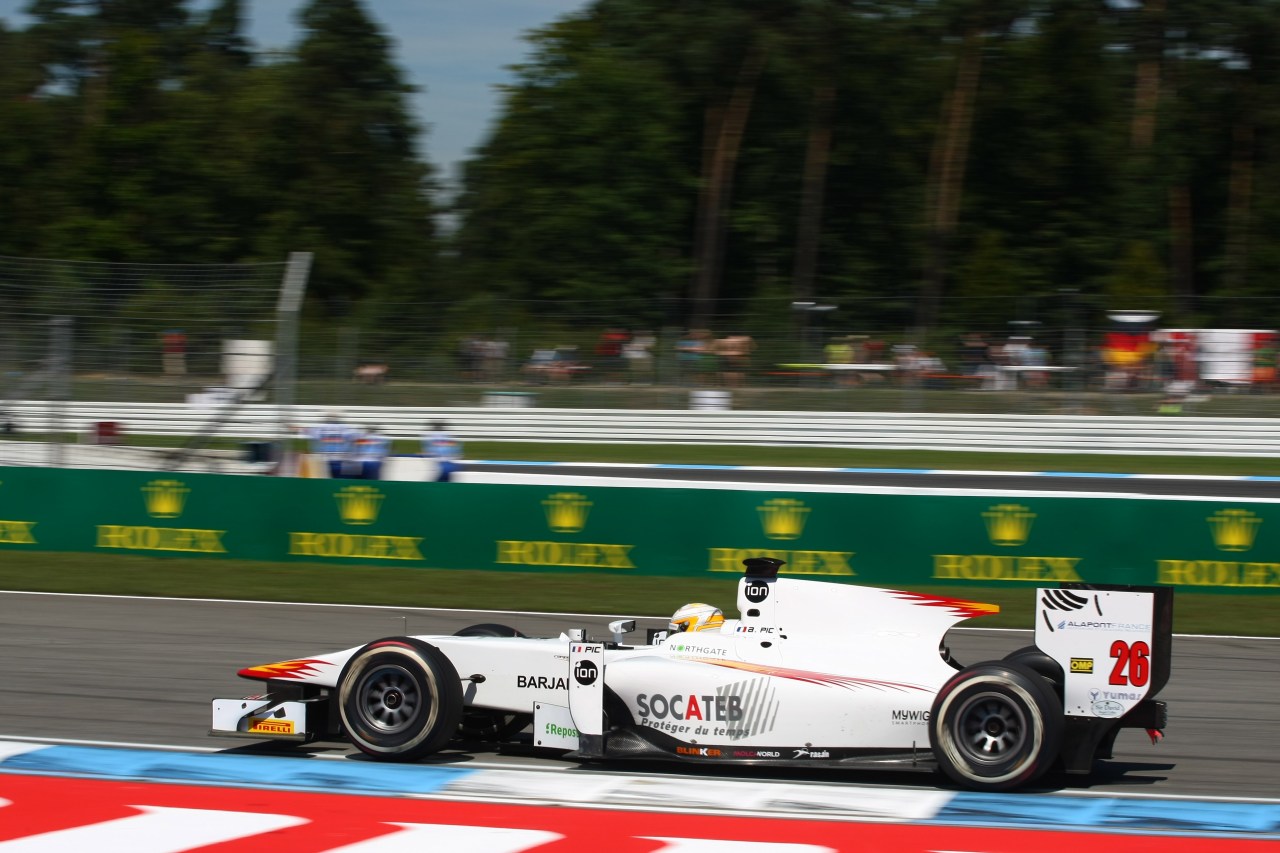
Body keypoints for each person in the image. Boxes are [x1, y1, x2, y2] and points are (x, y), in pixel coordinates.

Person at [302, 412, 358, 478]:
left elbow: (309, 432)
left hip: (324, 459)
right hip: (340, 458)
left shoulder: (320, 428)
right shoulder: (344, 428)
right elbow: (354, 436)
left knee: (324, 480)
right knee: (339, 480)